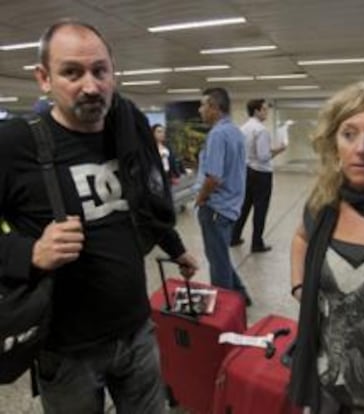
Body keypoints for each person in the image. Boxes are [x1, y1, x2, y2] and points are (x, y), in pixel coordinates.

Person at [0, 19, 198, 414]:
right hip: (66, 348)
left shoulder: (128, 126)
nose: (90, 86)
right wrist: (30, 252)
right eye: (71, 72)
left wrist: (175, 249)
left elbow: (144, 198)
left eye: (99, 71)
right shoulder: (15, 144)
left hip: (137, 329)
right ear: (44, 78)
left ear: (113, 72)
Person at [288, 81, 364, 413]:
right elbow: (301, 238)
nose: (361, 148)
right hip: (326, 389)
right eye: (349, 134)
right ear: (335, 143)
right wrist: (301, 285)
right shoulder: (323, 204)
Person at [195, 87, 252, 306]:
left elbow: (214, 178)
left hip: (216, 207)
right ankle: (241, 295)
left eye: (202, 105)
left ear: (214, 107)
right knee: (220, 255)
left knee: (217, 262)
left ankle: (225, 310)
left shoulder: (217, 134)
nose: (200, 110)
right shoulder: (235, 131)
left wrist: (201, 199)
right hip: (231, 205)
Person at [231, 99, 287, 252]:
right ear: (256, 111)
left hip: (246, 171)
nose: (266, 112)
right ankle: (257, 243)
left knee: (244, 206)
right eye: (264, 109)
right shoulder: (261, 130)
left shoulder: (243, 128)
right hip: (261, 174)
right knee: (260, 209)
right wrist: (279, 150)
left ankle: (234, 237)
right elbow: (263, 157)